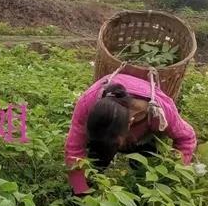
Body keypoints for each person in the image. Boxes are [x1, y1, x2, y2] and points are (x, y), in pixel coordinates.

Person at [65, 71, 197, 195]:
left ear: (130, 123)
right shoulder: (89, 102)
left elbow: (186, 138)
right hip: (111, 128)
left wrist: (175, 169)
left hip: (145, 136)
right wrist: (80, 190)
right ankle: (93, 179)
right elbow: (74, 148)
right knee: (98, 156)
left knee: (145, 169)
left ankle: (141, 191)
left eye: (118, 141)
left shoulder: (161, 113)